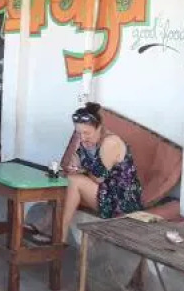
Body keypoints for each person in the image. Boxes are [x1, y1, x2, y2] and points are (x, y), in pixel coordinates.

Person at [61, 102, 143, 242]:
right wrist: (75, 165)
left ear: (99, 128)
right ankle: (50, 230)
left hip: (120, 198)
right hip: (104, 191)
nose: (82, 137)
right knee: (64, 181)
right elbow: (74, 161)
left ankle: (60, 238)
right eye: (78, 133)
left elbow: (98, 178)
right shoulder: (86, 142)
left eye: (86, 133)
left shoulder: (110, 142)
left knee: (74, 181)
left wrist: (80, 170)